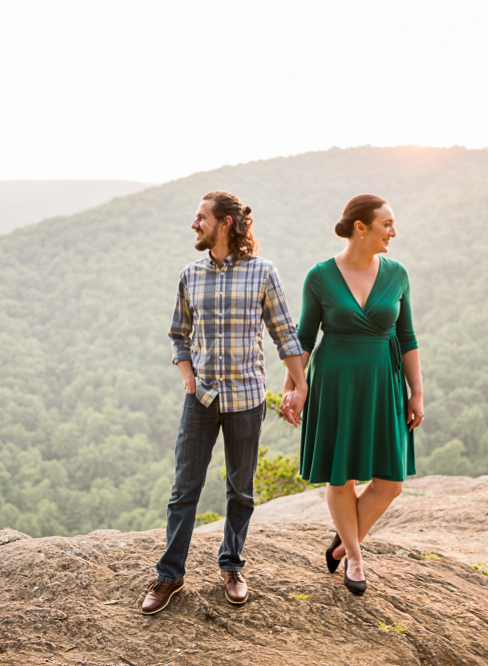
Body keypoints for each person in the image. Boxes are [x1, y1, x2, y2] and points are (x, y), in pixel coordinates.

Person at [141, 191, 309, 615]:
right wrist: (188, 379)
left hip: (247, 399)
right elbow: (179, 335)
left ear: (225, 224)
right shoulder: (190, 275)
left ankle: (231, 565)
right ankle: (170, 575)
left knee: (241, 490)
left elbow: (286, 335)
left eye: (201, 218)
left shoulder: (263, 272)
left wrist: (301, 385)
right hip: (200, 400)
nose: (194, 224)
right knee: (185, 490)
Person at [280, 194, 423, 596]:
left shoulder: (397, 274)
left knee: (390, 480)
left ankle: (343, 542)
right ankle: (356, 559)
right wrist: (293, 386)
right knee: (341, 474)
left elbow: (408, 337)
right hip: (335, 382)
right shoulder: (320, 276)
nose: (393, 232)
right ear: (361, 228)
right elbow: (304, 338)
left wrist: (417, 394)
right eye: (386, 225)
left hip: (384, 382)